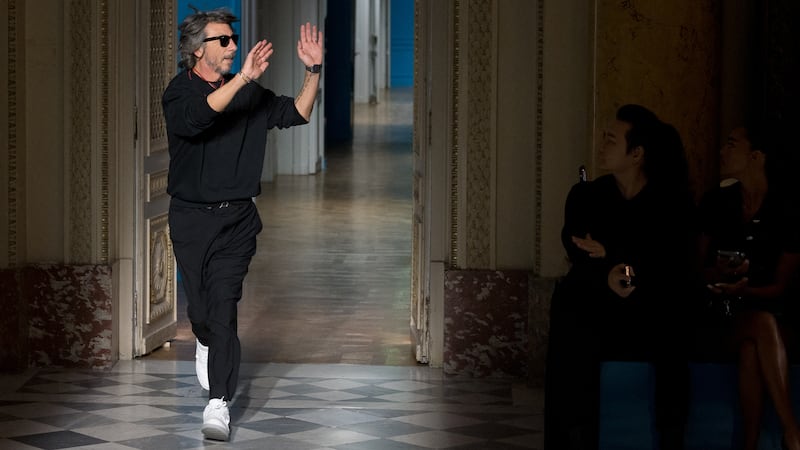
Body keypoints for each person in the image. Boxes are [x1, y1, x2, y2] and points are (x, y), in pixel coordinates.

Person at [162, 7, 323, 441]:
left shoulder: (250, 94)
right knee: (200, 312)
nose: (234, 46)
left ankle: (219, 403)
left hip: (236, 220)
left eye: (234, 39)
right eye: (224, 40)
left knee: (222, 306)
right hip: (191, 221)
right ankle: (203, 337)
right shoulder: (179, 92)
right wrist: (243, 80)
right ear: (198, 50)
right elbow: (199, 118)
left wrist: (313, 70)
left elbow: (298, 113)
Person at [544, 105, 697, 450]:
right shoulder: (588, 196)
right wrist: (608, 271)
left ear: (637, 153)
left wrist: (616, 259)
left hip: (651, 305)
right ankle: (573, 434)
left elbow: (672, 261)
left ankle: (670, 435)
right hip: (602, 306)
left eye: (611, 140)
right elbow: (578, 247)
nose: (602, 145)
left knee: (672, 313)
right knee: (569, 300)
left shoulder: (671, 203)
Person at [692, 125, 800, 450]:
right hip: (721, 315)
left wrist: (745, 290)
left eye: (731, 144)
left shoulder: (787, 210)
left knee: (754, 344)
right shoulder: (716, 202)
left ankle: (750, 445)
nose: (722, 152)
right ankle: (792, 433)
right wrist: (719, 273)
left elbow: (781, 287)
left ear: (755, 156)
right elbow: (694, 269)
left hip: (770, 316)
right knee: (757, 328)